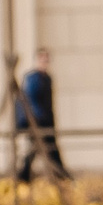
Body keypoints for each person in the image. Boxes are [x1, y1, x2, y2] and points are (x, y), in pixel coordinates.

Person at [17, 49, 67, 182]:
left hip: (45, 120)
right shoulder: (32, 78)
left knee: (45, 149)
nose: (45, 63)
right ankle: (61, 176)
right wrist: (34, 120)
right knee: (41, 149)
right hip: (37, 121)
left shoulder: (47, 78)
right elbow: (30, 101)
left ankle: (24, 176)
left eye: (47, 60)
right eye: (42, 60)